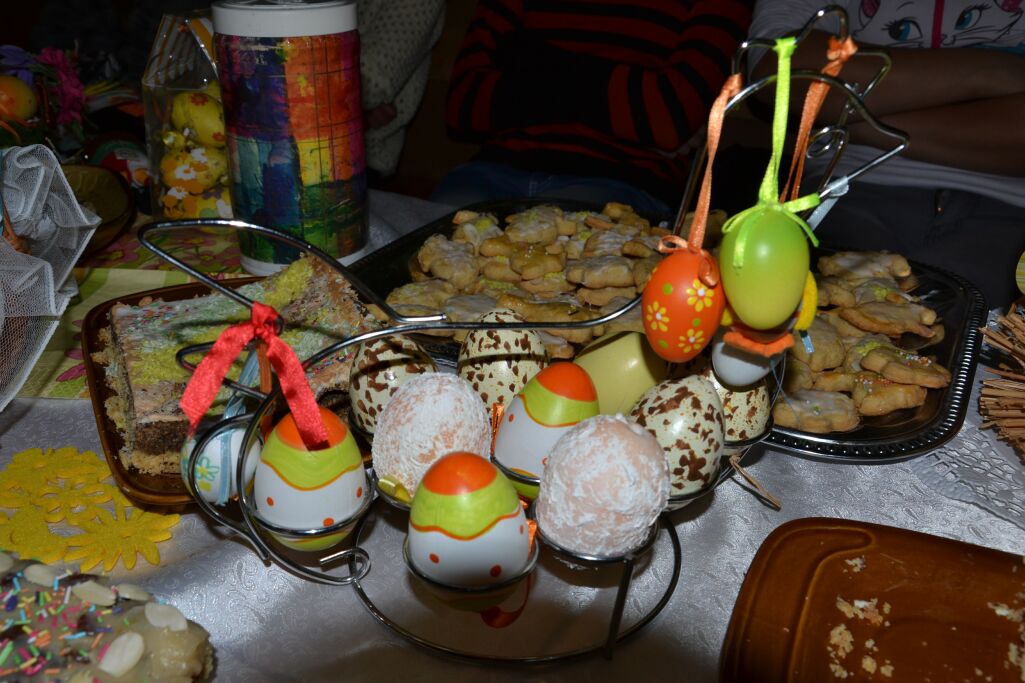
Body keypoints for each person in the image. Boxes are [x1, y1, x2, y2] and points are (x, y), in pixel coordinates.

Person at [747, 0, 1025, 308]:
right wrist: (989, 72)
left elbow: (817, 86)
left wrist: (854, 117)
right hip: (844, 189)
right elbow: (781, 70)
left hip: (1009, 216)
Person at [430, 0, 754, 219]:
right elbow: (464, 103)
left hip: (621, 183)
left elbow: (670, 116)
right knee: (421, 254)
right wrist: (624, 95)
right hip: (492, 172)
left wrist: (530, 63)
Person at [357, 0, 445, 178]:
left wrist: (347, 109)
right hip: (307, 141)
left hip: (361, 158)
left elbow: (369, 82)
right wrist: (353, 112)